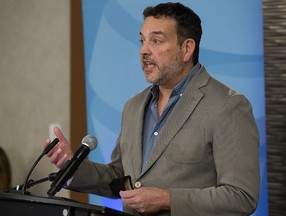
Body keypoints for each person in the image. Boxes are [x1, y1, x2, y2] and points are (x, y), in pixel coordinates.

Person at [45, 2, 260, 216]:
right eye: (142, 41)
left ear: (187, 49)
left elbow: (241, 196)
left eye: (156, 41)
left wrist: (167, 199)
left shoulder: (228, 105)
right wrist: (71, 166)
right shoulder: (133, 106)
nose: (144, 51)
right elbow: (120, 176)